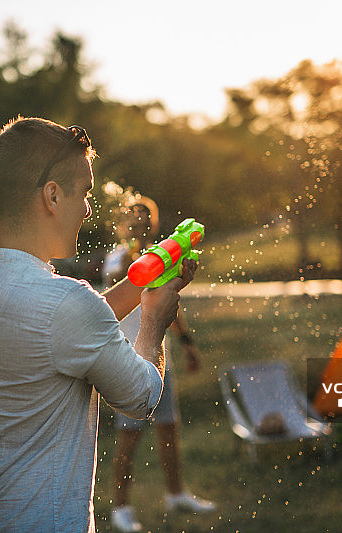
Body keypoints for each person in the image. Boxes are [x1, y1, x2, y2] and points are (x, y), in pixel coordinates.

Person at [0, 117, 196, 532]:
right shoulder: (65, 304)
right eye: (84, 193)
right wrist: (154, 320)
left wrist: (147, 274)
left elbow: (64, 331)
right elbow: (141, 397)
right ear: (52, 196)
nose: (88, 208)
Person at [101, 194, 215, 532]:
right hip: (127, 357)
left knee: (169, 429)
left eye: (146, 217)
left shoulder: (161, 255)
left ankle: (176, 494)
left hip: (160, 357)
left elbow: (168, 303)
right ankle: (120, 508)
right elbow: (116, 288)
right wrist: (138, 260)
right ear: (124, 224)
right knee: (129, 437)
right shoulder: (118, 257)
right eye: (134, 218)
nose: (140, 223)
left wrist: (187, 342)